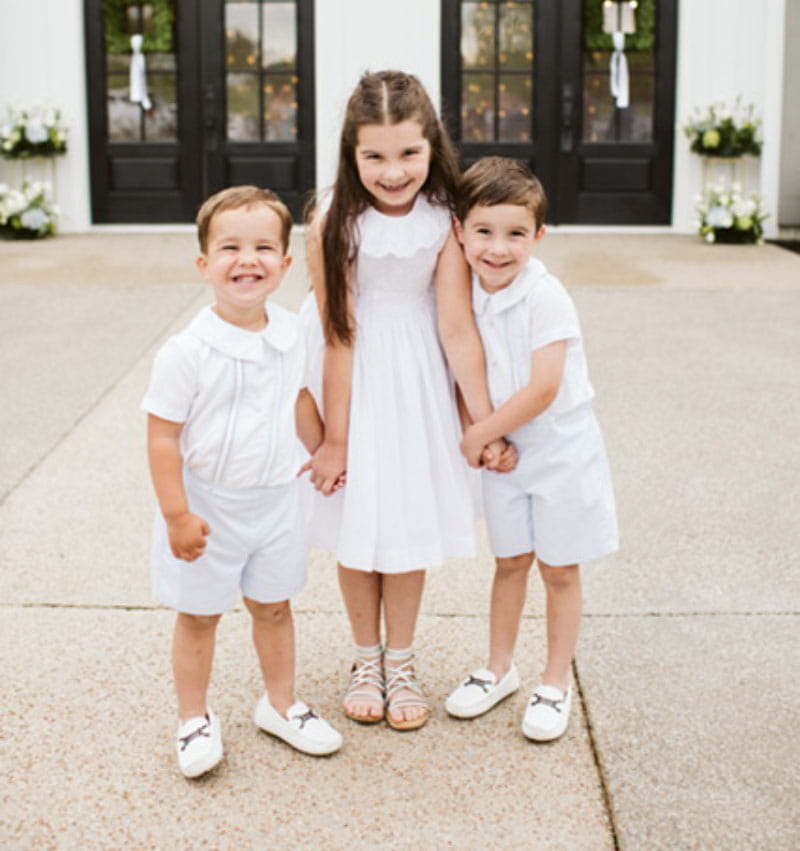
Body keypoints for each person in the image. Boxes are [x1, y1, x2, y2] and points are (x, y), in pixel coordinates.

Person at [301, 71, 514, 731]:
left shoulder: (444, 216)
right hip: (350, 377)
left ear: (432, 146)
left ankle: (402, 660)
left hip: (416, 378)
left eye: (408, 154)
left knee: (406, 519)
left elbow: (456, 325)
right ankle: (366, 658)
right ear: (351, 152)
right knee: (358, 520)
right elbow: (338, 332)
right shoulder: (332, 219)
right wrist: (335, 438)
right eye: (375, 156)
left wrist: (484, 421)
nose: (393, 172)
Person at [142, 185, 342, 779]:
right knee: (199, 614)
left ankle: (281, 704)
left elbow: (298, 399)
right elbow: (162, 438)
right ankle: (193, 717)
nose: (247, 260)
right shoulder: (187, 351)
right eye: (230, 247)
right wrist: (177, 515)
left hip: (277, 501)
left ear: (284, 263)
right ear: (204, 263)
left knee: (274, 607)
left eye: (263, 248)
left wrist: (324, 449)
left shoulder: (291, 333)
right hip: (207, 506)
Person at [445, 157, 618, 741]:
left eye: (515, 234)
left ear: (538, 236)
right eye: (484, 231)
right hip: (504, 448)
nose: (498, 249)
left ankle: (554, 682)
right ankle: (499, 668)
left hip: (559, 446)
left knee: (559, 568)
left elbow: (544, 388)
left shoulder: (546, 296)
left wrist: (479, 435)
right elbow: (463, 368)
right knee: (510, 561)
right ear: (460, 231)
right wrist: (487, 434)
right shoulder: (465, 290)